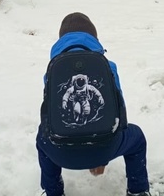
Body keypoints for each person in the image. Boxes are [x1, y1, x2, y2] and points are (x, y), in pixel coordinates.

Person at [36, 13, 151, 196]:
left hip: (61, 153)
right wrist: (101, 153)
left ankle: (53, 192)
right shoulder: (108, 66)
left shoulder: (53, 70)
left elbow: (51, 116)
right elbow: (119, 113)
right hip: (106, 147)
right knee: (136, 139)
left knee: (42, 137)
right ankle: (138, 191)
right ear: (94, 39)